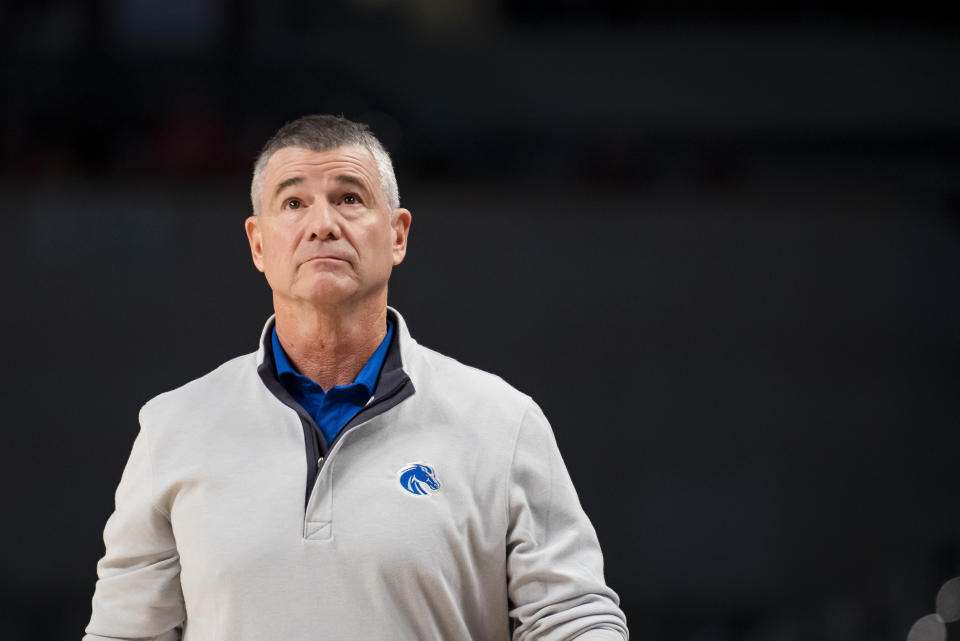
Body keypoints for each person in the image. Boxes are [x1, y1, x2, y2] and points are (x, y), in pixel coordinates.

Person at [84, 114, 629, 641]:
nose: (322, 223)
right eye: (293, 202)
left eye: (349, 198)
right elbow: (126, 633)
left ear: (397, 235)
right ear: (258, 244)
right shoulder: (172, 427)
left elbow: (572, 618)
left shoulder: (502, 423)